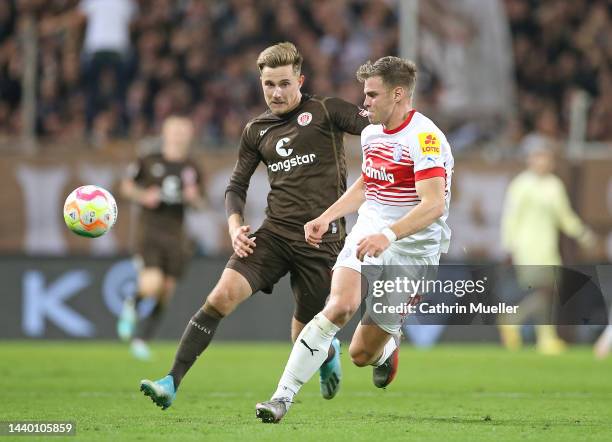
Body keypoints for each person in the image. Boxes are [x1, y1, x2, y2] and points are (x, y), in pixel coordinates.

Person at [139, 42, 370, 409]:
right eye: (268, 85)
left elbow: (378, 129)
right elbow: (236, 186)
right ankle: (171, 381)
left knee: (303, 337)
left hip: (321, 242)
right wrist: (235, 226)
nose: (276, 93)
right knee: (219, 297)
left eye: (283, 83)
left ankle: (326, 354)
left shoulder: (327, 111)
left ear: (300, 80)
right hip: (274, 234)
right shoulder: (256, 130)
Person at [255, 56, 454, 423]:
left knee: (360, 354)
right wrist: (326, 216)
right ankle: (281, 397)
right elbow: (368, 182)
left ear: (398, 95)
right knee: (339, 306)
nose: (364, 103)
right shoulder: (371, 132)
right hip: (370, 229)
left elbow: (434, 205)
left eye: (372, 95)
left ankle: (386, 351)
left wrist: (389, 235)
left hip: (413, 246)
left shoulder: (424, 138)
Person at [117, 115, 205, 360]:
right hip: (150, 233)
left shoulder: (191, 167)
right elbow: (125, 187)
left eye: (183, 131)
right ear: (165, 133)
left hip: (176, 237)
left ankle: (141, 339)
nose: (178, 135)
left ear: (189, 135)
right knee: (152, 284)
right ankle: (132, 304)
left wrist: (193, 196)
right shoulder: (148, 161)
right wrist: (143, 195)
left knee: (166, 292)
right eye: (174, 130)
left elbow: (200, 204)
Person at [499, 144, 595, 355]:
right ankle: (514, 319)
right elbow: (510, 217)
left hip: (548, 247)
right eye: (537, 157)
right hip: (526, 247)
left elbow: (564, 216)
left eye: (545, 157)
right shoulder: (521, 184)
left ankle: (544, 338)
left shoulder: (554, 185)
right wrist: (508, 245)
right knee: (544, 290)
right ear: (530, 160)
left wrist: (582, 233)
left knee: (547, 293)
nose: (541, 162)